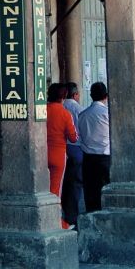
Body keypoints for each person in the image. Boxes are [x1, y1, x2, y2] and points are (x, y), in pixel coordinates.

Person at [46, 82, 79, 229]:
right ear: (64, 97)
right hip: (58, 154)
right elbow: (73, 137)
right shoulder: (66, 114)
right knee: (55, 191)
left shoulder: (42, 110)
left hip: (42, 153)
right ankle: (57, 222)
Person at [78, 82, 111, 213]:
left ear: (91, 95)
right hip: (105, 157)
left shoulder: (83, 115)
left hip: (88, 158)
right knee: (106, 190)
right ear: (106, 96)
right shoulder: (107, 114)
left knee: (90, 191)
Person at [61, 81, 84, 227]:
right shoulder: (79, 109)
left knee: (62, 183)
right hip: (75, 148)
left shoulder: (59, 106)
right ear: (75, 95)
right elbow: (78, 134)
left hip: (61, 148)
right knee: (75, 184)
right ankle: (72, 216)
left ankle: (63, 215)